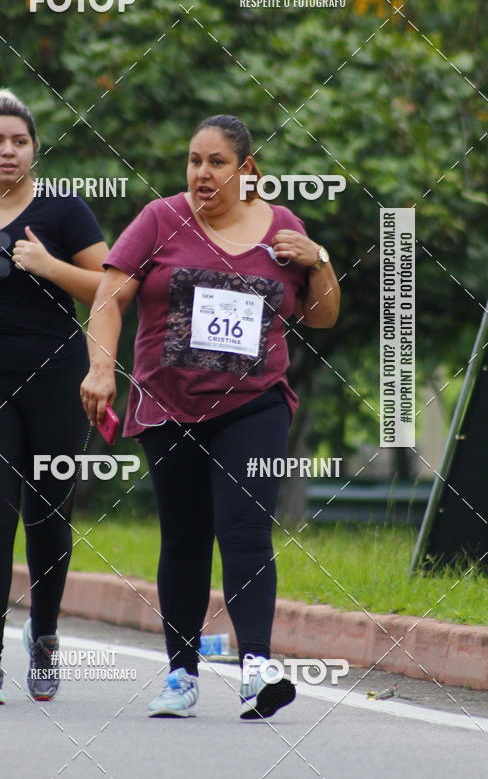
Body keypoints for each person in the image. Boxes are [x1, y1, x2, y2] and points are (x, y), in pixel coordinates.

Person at [80, 114, 340, 720]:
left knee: (246, 529)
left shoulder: (283, 227)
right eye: (194, 161)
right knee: (186, 537)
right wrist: (99, 369)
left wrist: (320, 260)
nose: (202, 173)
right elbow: (108, 299)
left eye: (217, 162)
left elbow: (322, 317)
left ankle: (256, 667)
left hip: (255, 402)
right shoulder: (159, 220)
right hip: (170, 404)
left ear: (246, 170)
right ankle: (181, 673)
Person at [0, 89, 108, 704]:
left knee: (49, 512)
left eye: (20, 141)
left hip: (57, 375)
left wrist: (47, 265)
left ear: (35, 148)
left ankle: (47, 637)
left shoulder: (63, 213)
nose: (8, 151)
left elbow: (109, 290)